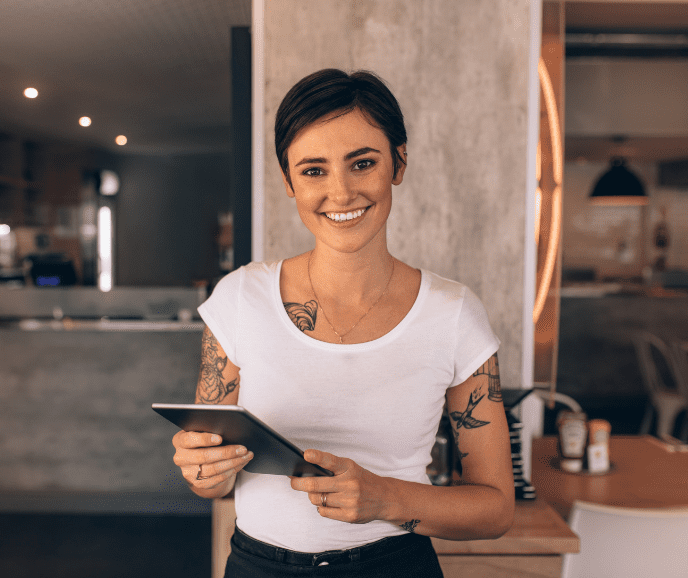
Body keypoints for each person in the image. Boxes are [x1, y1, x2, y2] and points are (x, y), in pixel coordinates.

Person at [172, 68, 514, 577]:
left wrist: (385, 499)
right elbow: (214, 480)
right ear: (288, 181)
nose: (342, 191)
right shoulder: (240, 298)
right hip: (258, 566)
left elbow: (495, 508)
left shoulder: (453, 313)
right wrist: (203, 469)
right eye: (313, 170)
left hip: (393, 566)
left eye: (362, 163)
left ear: (398, 163)